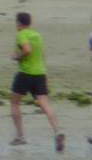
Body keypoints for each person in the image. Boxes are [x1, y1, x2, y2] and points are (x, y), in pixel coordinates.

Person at [7, 12, 64, 152]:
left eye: (16, 23)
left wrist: (17, 57)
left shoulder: (22, 34)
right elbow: (43, 55)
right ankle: (57, 131)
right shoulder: (37, 35)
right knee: (45, 104)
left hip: (25, 73)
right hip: (40, 73)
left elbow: (27, 50)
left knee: (14, 102)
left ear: (19, 23)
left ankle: (20, 136)